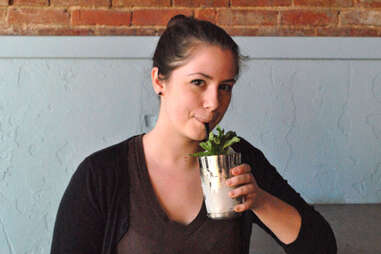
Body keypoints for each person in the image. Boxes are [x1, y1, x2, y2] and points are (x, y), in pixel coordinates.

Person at [50, 15, 337, 254]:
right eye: (198, 82)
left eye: (225, 87)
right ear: (159, 81)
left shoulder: (238, 159)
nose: (214, 102)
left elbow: (321, 247)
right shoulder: (101, 174)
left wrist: (260, 200)